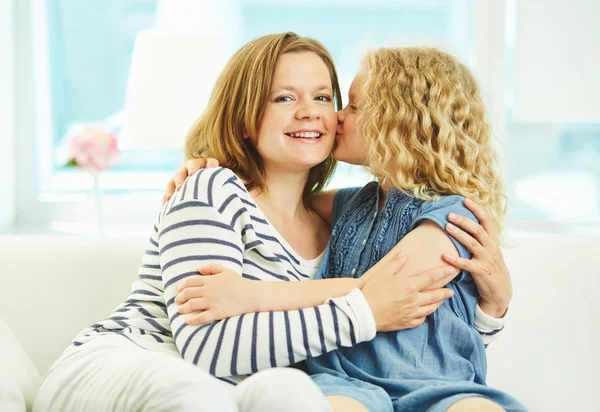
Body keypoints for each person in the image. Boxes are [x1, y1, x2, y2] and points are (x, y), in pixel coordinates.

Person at [33, 32, 467, 412]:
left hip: (234, 392)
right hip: (131, 360)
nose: (311, 112)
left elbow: (409, 333)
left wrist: (491, 308)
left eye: (322, 97)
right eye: (284, 97)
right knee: (197, 396)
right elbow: (210, 348)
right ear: (244, 119)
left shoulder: (343, 224)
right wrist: (366, 309)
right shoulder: (211, 189)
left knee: (291, 394)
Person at [163, 46, 525, 411]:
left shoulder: (454, 215)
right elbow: (278, 197)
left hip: (437, 381)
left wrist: (250, 295)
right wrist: (211, 165)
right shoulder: (353, 203)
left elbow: (380, 290)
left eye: (352, 107)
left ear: (397, 124)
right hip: (343, 378)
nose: (335, 116)